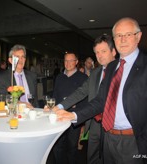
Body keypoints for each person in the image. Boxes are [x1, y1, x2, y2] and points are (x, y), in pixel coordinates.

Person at [56, 17, 147, 164]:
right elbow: (99, 100)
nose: (122, 39)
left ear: (138, 36)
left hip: (134, 142)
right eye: (118, 35)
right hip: (106, 135)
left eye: (128, 34)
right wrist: (72, 114)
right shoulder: (111, 69)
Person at [51, 34, 116, 164]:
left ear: (113, 51)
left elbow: (101, 101)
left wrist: (74, 115)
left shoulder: (120, 71)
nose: (100, 55)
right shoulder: (96, 73)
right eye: (97, 52)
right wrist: (59, 106)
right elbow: (80, 93)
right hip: (95, 124)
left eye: (103, 51)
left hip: (114, 126)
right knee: (92, 159)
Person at [52, 52, 88, 164]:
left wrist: (82, 121)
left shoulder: (83, 78)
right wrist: (51, 107)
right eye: (66, 60)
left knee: (72, 148)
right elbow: (55, 95)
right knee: (58, 147)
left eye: (71, 60)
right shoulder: (59, 77)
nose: (68, 63)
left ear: (76, 62)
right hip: (60, 117)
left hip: (74, 117)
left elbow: (86, 100)